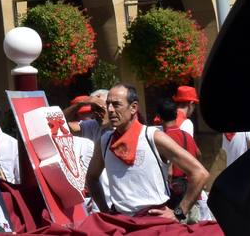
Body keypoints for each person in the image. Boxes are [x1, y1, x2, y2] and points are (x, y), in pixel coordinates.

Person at [85, 84, 208, 222]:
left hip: (154, 223)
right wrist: (105, 210)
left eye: (116, 104)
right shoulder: (104, 141)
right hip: (120, 222)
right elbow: (91, 177)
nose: (110, 110)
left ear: (133, 107)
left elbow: (200, 173)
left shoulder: (153, 137)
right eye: (108, 104)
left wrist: (178, 213)